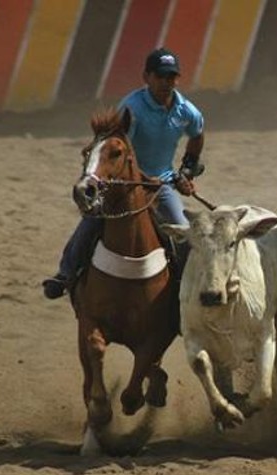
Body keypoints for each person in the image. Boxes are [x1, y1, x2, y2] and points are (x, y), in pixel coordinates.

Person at [42, 48, 205, 299]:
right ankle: (65, 273)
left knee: (183, 232)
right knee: (93, 221)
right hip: (125, 183)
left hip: (162, 186)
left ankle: (188, 288)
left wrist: (187, 171)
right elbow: (115, 149)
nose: (166, 82)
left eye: (171, 77)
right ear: (147, 77)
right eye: (160, 76)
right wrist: (142, 178)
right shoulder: (132, 108)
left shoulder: (187, 111)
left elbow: (197, 134)